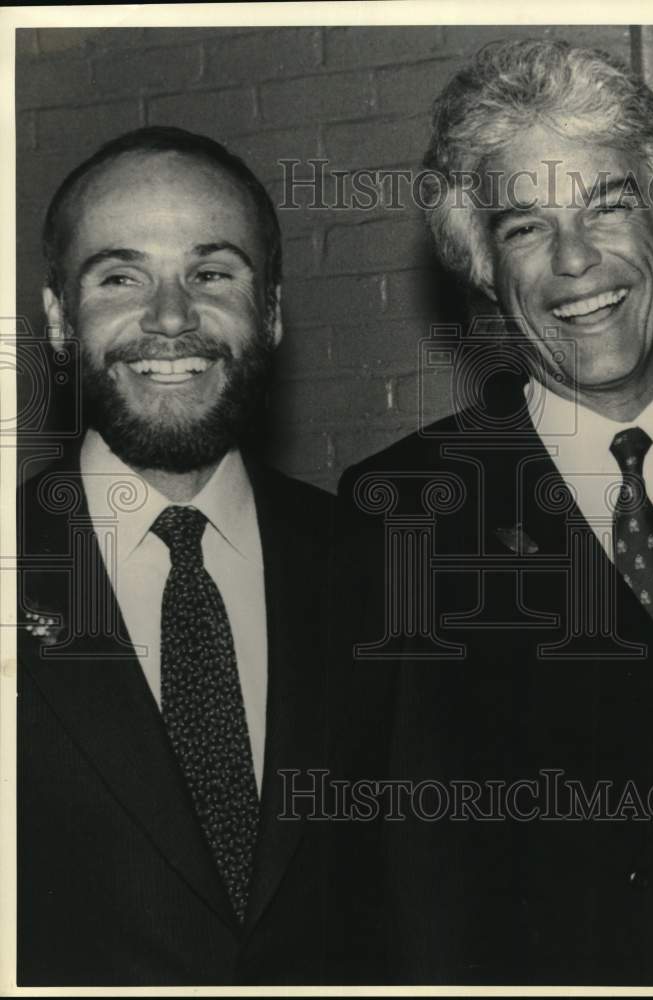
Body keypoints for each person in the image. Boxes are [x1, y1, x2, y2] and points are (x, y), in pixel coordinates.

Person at [337, 41, 653, 986]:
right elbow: (411, 880)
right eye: (526, 228)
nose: (576, 262)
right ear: (485, 271)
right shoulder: (401, 513)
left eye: (606, 207)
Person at [17, 127, 334, 986]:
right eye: (120, 277)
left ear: (269, 311)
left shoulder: (379, 568)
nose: (169, 317)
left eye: (211, 273)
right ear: (56, 320)